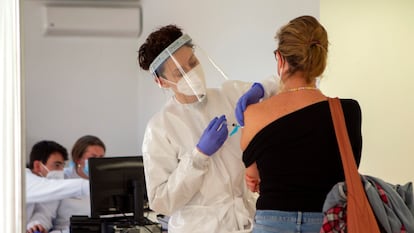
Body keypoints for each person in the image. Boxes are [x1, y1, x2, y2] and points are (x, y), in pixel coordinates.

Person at [138, 24, 279, 233]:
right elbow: (161, 202)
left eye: (193, 62)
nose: (192, 73)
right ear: (162, 82)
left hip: (245, 222)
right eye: (180, 72)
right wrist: (199, 156)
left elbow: (289, 84)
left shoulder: (230, 95)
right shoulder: (160, 128)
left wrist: (262, 89)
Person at [240, 15, 362, 233]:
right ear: (320, 61)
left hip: (271, 224)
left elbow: (253, 178)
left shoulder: (254, 114)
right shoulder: (348, 112)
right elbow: (347, 171)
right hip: (329, 223)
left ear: (280, 59)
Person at [26, 140, 85, 233]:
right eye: (57, 165)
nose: (61, 171)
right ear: (37, 165)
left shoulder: (45, 188)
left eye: (62, 166)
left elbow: (45, 212)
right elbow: (50, 187)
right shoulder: (24, 178)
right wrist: (88, 186)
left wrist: (37, 224)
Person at [53, 135, 106, 232]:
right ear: (78, 159)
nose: (98, 162)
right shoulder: (61, 178)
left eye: (101, 158)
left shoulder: (107, 181)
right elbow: (46, 215)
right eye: (93, 157)